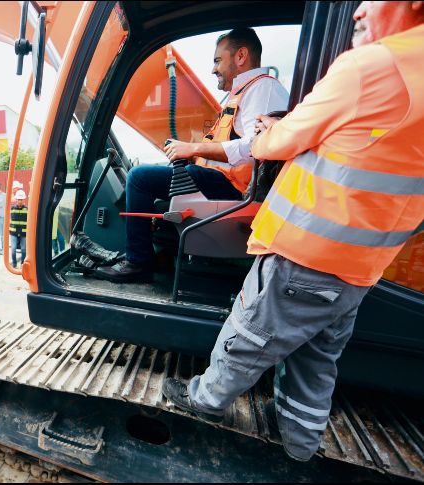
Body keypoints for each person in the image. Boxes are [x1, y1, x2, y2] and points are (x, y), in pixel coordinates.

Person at [161, 2, 424, 463]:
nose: (358, 10)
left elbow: (280, 142)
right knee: (317, 357)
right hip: (361, 266)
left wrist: (270, 131)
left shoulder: (372, 66)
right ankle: (300, 444)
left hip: (307, 248)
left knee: (250, 332)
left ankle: (204, 401)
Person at [97, 27, 290, 283]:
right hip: (223, 180)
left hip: (237, 189)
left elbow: (255, 147)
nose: (213, 69)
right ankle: (159, 254)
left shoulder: (263, 89)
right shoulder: (242, 94)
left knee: (139, 178)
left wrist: (194, 148)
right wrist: (191, 155)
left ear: (241, 56)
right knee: (156, 174)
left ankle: (138, 262)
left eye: (218, 60)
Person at [9, 190, 28, 268]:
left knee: (24, 250)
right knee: (13, 249)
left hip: (24, 233)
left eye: (21, 199)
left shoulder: (27, 209)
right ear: (16, 199)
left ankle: (22, 263)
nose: (20, 201)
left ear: (23, 200)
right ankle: (14, 263)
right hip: (14, 233)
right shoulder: (12, 208)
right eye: (18, 199)